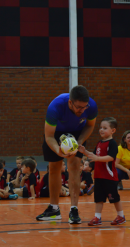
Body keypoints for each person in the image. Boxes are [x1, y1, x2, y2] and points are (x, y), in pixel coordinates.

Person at [37, 85, 97, 223]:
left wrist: (79, 142)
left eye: (84, 107)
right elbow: (49, 136)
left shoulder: (92, 106)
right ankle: (54, 209)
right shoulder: (55, 107)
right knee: (54, 167)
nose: (82, 110)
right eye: (79, 108)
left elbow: (90, 126)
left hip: (77, 132)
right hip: (56, 133)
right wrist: (58, 151)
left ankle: (74, 210)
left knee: (75, 166)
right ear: (70, 102)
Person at [79, 117, 125, 226]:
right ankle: (97, 218)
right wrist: (84, 151)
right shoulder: (99, 143)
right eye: (100, 127)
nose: (101, 130)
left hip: (109, 177)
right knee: (98, 198)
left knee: (114, 198)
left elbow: (111, 157)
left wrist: (98, 158)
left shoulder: (112, 143)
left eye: (105, 128)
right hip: (98, 176)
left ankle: (121, 216)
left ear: (113, 131)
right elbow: (94, 156)